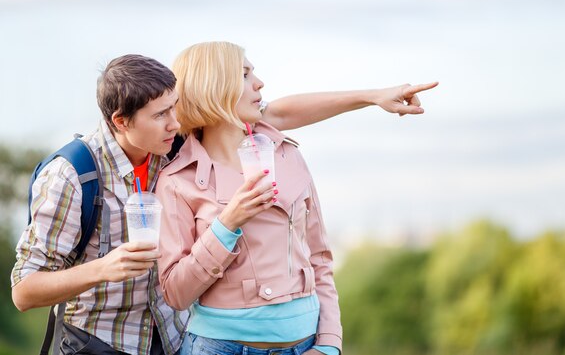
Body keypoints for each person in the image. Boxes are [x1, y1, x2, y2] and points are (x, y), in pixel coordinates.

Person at [11, 53, 437, 355]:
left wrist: (372, 96)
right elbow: (24, 291)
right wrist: (104, 268)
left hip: (175, 341)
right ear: (121, 122)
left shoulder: (171, 142)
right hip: (104, 344)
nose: (177, 124)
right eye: (162, 115)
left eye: (175, 109)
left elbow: (280, 113)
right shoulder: (73, 175)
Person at [158, 41, 412, 355]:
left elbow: (320, 259)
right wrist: (226, 224)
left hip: (305, 346)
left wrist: (330, 344)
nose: (259, 82)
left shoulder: (287, 154)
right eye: (245, 74)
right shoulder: (176, 181)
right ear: (215, 86)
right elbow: (175, 293)